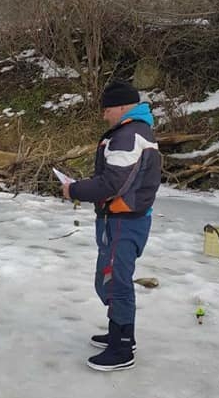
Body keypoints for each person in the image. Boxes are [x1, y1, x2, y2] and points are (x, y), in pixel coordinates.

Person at [62, 81, 161, 372]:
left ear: (120, 106)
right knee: (106, 278)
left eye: (106, 109)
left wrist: (74, 190)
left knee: (117, 282)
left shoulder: (129, 135)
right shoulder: (131, 132)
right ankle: (117, 331)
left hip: (124, 222)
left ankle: (122, 347)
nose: (104, 115)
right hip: (118, 221)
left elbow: (112, 183)